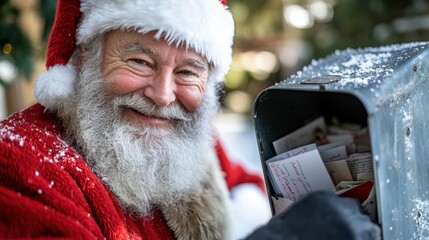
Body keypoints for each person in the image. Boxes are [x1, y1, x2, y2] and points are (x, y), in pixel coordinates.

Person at [0, 0, 271, 239]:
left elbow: (248, 186)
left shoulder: (186, 139)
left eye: (187, 72)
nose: (163, 96)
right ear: (85, 58)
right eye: (140, 61)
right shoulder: (21, 160)